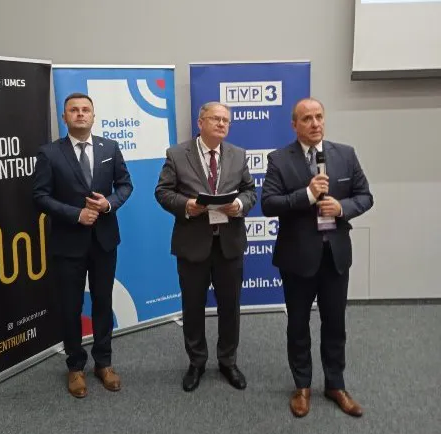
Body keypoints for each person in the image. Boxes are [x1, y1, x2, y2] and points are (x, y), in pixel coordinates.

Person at [261, 98, 373, 417]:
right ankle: (302, 386)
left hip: (335, 255)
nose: (315, 123)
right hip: (297, 257)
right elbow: (269, 204)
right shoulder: (279, 159)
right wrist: (308, 195)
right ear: (294, 125)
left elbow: (365, 196)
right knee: (298, 324)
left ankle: (335, 384)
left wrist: (342, 208)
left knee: (335, 323)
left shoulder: (345, 154)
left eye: (319, 117)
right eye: (307, 118)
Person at [33, 93, 133, 398]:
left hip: (104, 241)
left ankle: (104, 363)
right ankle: (75, 366)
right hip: (68, 243)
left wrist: (108, 204)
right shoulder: (50, 153)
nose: (80, 114)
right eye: (73, 110)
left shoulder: (109, 148)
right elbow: (40, 197)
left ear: (93, 115)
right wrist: (76, 214)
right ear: (64, 117)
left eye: (85, 110)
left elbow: (125, 185)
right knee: (70, 307)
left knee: (103, 302)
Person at [155, 102, 256, 392]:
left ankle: (228, 361)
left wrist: (239, 205)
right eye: (216, 119)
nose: (222, 124)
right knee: (193, 306)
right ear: (200, 123)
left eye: (226, 120)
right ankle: (196, 362)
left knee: (230, 307)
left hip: (229, 244)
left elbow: (250, 191)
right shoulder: (177, 154)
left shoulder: (238, 154)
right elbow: (162, 192)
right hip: (192, 244)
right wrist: (186, 205)